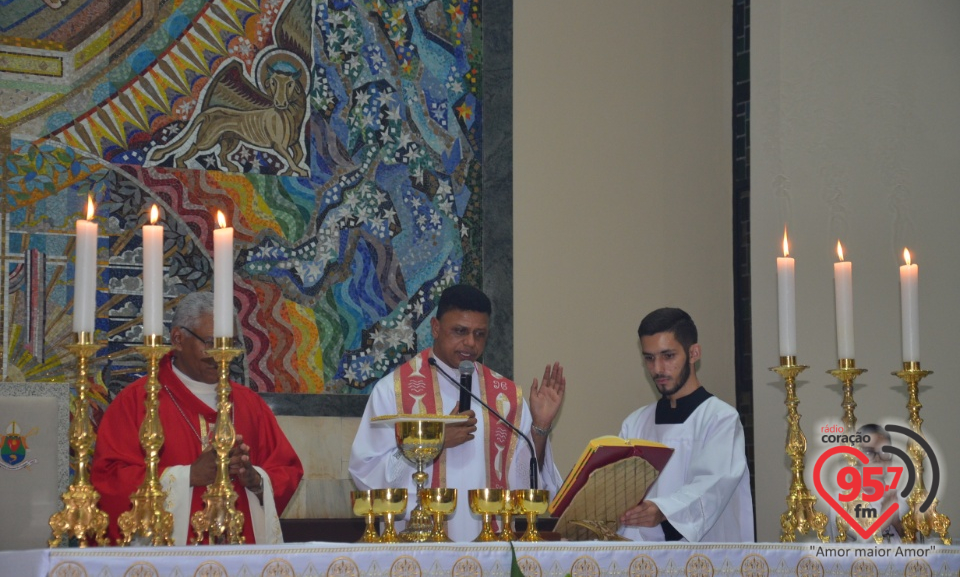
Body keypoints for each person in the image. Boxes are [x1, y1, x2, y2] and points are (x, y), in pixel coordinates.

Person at [349, 284, 566, 542]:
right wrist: (433, 441)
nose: (470, 343)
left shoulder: (505, 397)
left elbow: (526, 484)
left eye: (479, 334)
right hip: (417, 550)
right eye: (460, 331)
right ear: (436, 328)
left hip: (488, 548)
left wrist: (539, 429)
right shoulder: (393, 391)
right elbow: (366, 473)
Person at [91, 291, 303, 545]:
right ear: (178, 339)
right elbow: (110, 481)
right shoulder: (137, 402)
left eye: (230, 344)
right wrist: (189, 475)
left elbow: (287, 471)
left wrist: (255, 480)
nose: (222, 356)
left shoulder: (249, 404)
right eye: (212, 343)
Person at [617, 307, 753, 542]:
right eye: (649, 358)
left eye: (668, 356)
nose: (658, 369)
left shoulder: (720, 419)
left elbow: (713, 487)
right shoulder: (635, 423)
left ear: (694, 353)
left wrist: (664, 512)